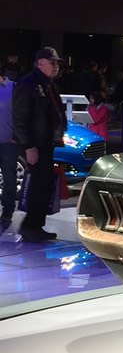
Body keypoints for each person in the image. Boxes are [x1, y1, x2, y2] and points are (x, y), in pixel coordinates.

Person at [12, 47, 67, 242]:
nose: (56, 66)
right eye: (52, 62)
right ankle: (30, 226)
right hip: (36, 144)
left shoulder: (47, 84)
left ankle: (36, 225)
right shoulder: (28, 84)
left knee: (43, 185)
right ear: (40, 63)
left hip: (46, 143)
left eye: (57, 63)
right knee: (37, 185)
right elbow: (20, 118)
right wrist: (28, 146)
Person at [0, 63, 19, 224]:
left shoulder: (13, 87)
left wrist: (16, 136)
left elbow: (22, 113)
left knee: (9, 178)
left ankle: (7, 211)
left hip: (8, 142)